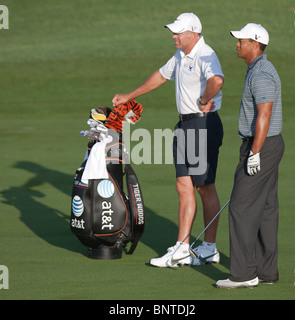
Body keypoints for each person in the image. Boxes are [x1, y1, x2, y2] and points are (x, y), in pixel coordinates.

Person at [112, 13, 225, 267]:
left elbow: (217, 80)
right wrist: (129, 96)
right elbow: (161, 76)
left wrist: (205, 101)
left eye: (178, 32)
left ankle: (209, 247)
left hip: (202, 125)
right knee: (183, 185)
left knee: (204, 187)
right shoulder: (180, 56)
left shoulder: (205, 53)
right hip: (185, 125)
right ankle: (183, 247)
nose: (173, 35)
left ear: (193, 33)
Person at [216, 23, 285, 288]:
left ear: (255, 44)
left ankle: (243, 274)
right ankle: (267, 271)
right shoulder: (257, 69)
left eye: (241, 40)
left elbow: (264, 115)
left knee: (241, 207)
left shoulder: (261, 73)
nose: (237, 43)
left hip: (262, 146)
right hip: (268, 144)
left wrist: (254, 152)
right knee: (266, 208)